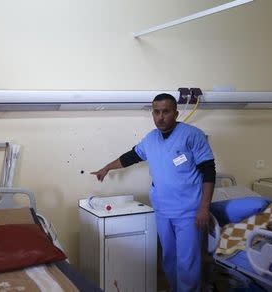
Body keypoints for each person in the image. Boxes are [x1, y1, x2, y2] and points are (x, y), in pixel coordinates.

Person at [91, 93, 215, 292]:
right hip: (163, 210)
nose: (160, 117)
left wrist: (204, 208)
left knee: (187, 262)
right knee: (168, 258)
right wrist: (107, 168)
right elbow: (131, 156)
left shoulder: (193, 135)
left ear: (175, 113)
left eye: (166, 112)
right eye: (156, 112)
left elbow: (209, 171)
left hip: (189, 211)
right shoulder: (151, 139)